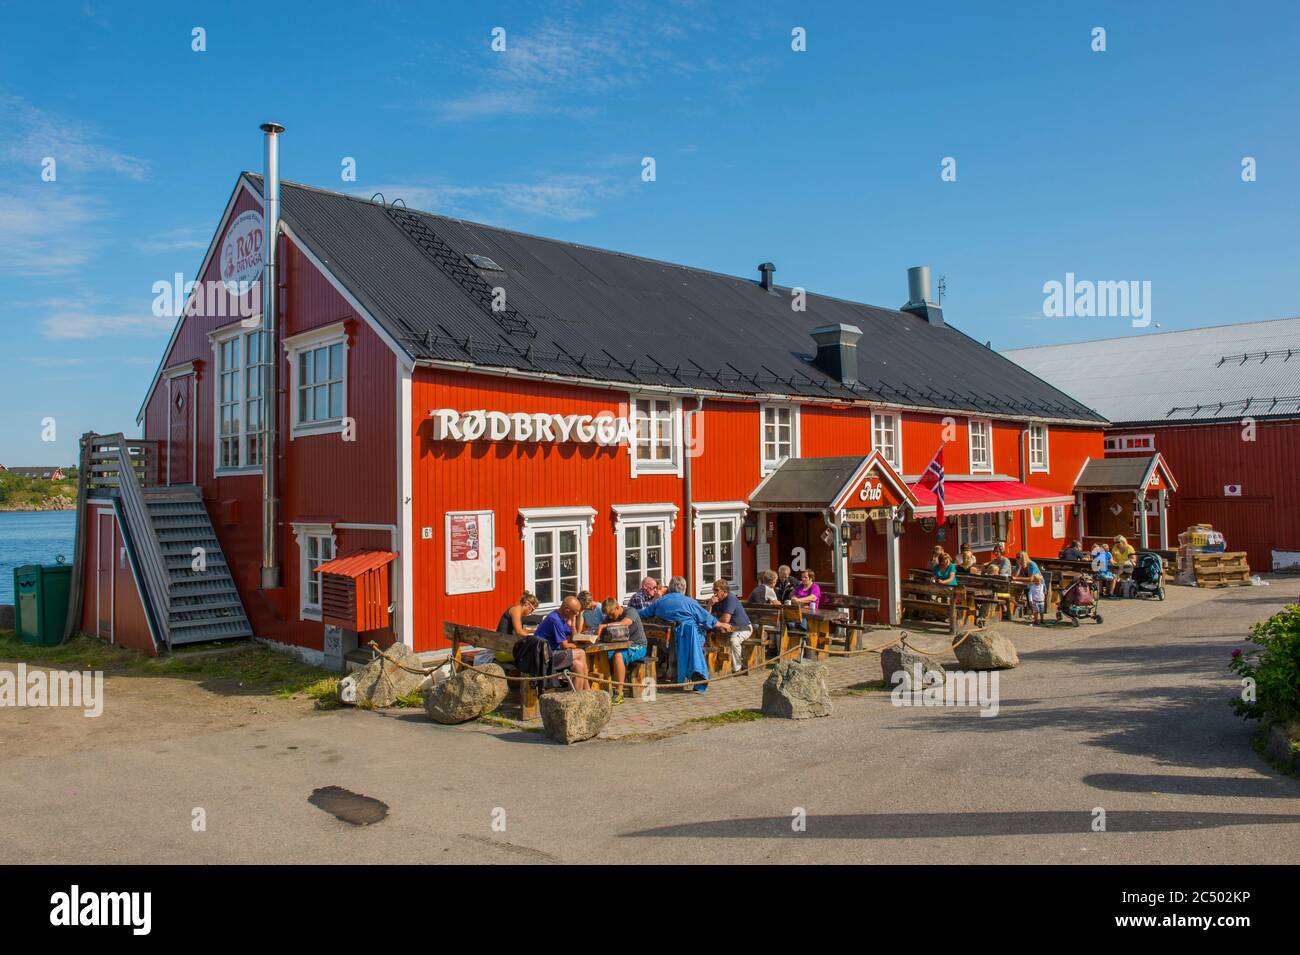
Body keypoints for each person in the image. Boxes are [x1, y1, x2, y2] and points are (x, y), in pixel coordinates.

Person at [643, 577, 732, 692]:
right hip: (686, 640)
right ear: (684, 589)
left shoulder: (660, 601)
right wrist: (723, 625)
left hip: (664, 642)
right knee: (699, 639)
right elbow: (706, 618)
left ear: (670, 588)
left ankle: (678, 673)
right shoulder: (689, 602)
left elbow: (644, 613)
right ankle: (696, 673)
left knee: (693, 637)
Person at [532, 596, 589, 690]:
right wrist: (577, 646)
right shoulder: (555, 620)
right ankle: (587, 690)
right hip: (545, 658)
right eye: (575, 612)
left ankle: (577, 697)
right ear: (567, 610)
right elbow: (565, 645)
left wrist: (573, 624)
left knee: (579, 665)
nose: (577, 614)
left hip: (553, 653)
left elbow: (573, 638)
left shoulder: (561, 617)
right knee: (581, 652)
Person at [598, 598, 646, 705]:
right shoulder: (609, 617)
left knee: (618, 656)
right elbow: (601, 628)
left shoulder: (630, 611)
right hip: (619, 646)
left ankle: (619, 693)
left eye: (612, 614)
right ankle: (601, 689)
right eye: (609, 615)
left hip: (638, 646)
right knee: (601, 656)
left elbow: (625, 623)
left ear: (617, 607)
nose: (610, 617)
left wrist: (605, 626)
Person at [707, 578, 754, 674]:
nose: (714, 592)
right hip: (729, 628)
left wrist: (713, 622)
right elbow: (706, 616)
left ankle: (737, 668)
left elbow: (725, 619)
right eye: (713, 590)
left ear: (724, 591)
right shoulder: (716, 599)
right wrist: (710, 604)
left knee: (734, 640)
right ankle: (714, 667)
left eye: (716, 590)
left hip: (743, 627)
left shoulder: (730, 598)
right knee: (710, 636)